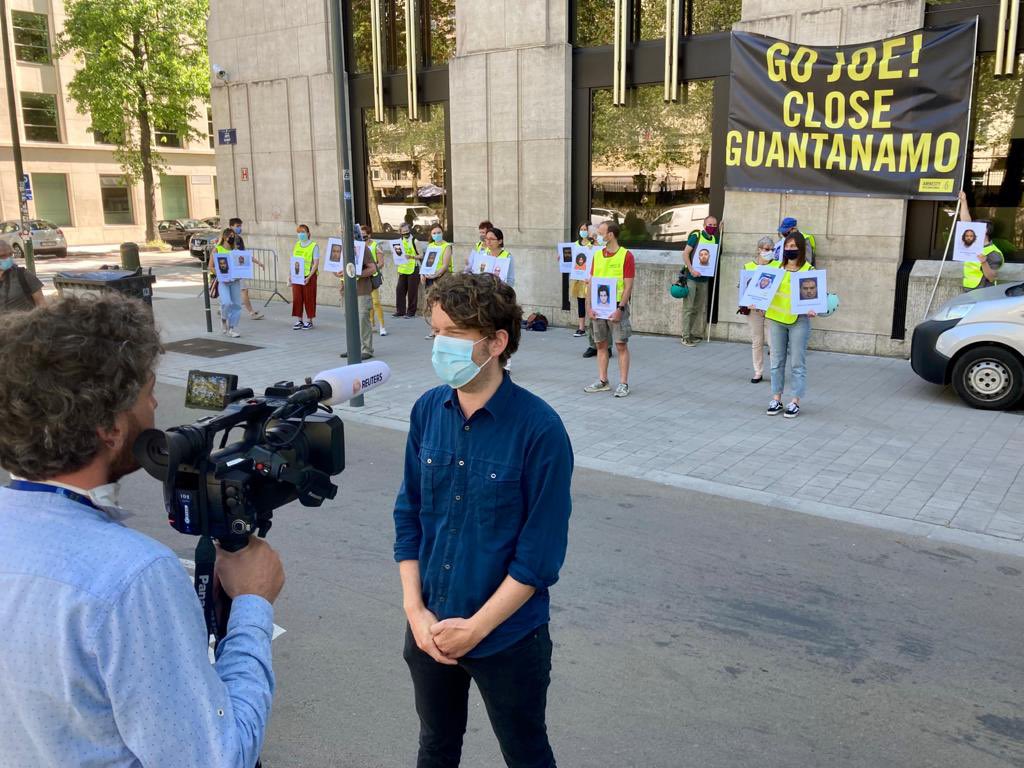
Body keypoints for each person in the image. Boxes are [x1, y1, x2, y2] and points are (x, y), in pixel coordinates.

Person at [0, 294, 285, 767]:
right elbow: (217, 757)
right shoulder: (132, 577)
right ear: (110, 427)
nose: (155, 405)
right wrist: (253, 604)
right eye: (147, 391)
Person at [394, 273, 573, 768]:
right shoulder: (427, 411)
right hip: (429, 625)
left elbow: (538, 559)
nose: (439, 346)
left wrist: (474, 630)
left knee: (526, 754)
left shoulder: (541, 431)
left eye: (453, 335)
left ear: (496, 342)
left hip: (508, 638)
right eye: (435, 333)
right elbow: (408, 516)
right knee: (436, 747)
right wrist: (416, 612)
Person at [762, 231, 815, 418]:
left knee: (797, 363)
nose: (789, 249)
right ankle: (776, 399)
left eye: (793, 246)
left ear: (800, 249)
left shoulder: (808, 271)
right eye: (787, 246)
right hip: (776, 319)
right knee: (776, 362)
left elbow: (812, 297)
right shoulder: (775, 267)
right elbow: (763, 290)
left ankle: (795, 401)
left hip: (798, 321)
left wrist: (812, 308)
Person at [584, 220, 635, 398]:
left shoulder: (626, 256)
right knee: (601, 344)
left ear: (610, 235)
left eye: (601, 232)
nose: (597, 235)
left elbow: (628, 286)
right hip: (598, 308)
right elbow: (591, 282)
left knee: (621, 344)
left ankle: (623, 383)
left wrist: (620, 308)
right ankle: (603, 380)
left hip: (615, 306)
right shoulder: (597, 255)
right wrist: (589, 307)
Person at [339, 226, 380, 360]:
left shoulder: (363, 248)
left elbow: (373, 268)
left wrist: (358, 273)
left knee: (362, 319)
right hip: (347, 291)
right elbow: (335, 268)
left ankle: (366, 349)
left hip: (362, 289)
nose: (341, 234)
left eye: (343, 232)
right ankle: (352, 348)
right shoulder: (341, 248)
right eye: (340, 232)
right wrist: (337, 272)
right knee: (349, 320)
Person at [679, 214, 719, 347]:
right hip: (691, 277)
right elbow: (685, 253)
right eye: (710, 225)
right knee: (688, 308)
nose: (712, 227)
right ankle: (684, 337)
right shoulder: (696, 236)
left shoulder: (714, 239)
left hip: (704, 279)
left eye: (715, 225)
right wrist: (691, 270)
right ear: (704, 225)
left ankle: (689, 334)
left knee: (697, 308)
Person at [742, 236, 774, 384]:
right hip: (754, 310)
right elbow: (743, 289)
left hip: (772, 309)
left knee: (773, 343)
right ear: (759, 249)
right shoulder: (748, 266)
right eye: (767, 249)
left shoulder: (778, 266)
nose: (770, 252)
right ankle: (758, 371)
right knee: (757, 341)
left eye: (772, 249)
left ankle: (775, 372)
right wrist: (748, 303)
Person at [958, 190, 1003, 290]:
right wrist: (963, 201)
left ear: (985, 231)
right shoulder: (972, 245)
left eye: (975, 228)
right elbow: (966, 223)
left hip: (982, 293)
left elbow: (991, 278)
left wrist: (984, 263)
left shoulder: (994, 253)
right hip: (968, 290)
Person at [421, 224, 454, 340]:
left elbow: (445, 265)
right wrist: (422, 273)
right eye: (434, 233)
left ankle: (444, 330)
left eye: (439, 232)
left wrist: (436, 274)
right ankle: (434, 330)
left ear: (442, 233)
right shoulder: (430, 245)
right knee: (431, 304)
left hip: (442, 278)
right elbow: (426, 262)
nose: (437, 235)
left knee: (442, 304)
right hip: (430, 277)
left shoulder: (446, 246)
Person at [229, 217, 264, 320]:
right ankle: (252, 313)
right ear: (231, 226)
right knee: (244, 290)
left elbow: (245, 254)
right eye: (237, 226)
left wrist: (258, 262)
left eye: (240, 226)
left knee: (237, 290)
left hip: (239, 268)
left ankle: (224, 309)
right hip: (233, 269)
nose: (240, 228)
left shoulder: (239, 239)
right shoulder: (226, 239)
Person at [213, 228, 243, 337]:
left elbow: (246, 258)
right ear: (225, 237)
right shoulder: (217, 249)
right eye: (230, 236)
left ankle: (232, 328)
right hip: (223, 281)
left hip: (235, 281)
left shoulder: (235, 250)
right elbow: (211, 266)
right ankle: (223, 319)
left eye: (233, 236)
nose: (232, 238)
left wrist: (258, 263)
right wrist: (220, 275)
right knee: (226, 303)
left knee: (236, 305)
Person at [0, 240, 45, 312]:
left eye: (10, 254)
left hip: (25, 322)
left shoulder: (24, 275)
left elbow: (42, 305)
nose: (8, 259)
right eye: (3, 256)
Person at [291, 224, 319, 329]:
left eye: (303, 232)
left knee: (309, 298)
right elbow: (294, 261)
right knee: (297, 297)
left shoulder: (314, 246)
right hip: (297, 275)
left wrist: (309, 276)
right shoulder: (297, 244)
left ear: (308, 233)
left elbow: (316, 263)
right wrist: (290, 275)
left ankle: (309, 320)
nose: (301, 234)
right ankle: (299, 320)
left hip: (309, 276)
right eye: (299, 232)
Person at [361, 224, 387, 336]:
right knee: (368, 302)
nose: (362, 237)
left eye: (364, 235)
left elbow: (381, 263)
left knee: (375, 302)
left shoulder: (375, 246)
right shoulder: (358, 246)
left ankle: (382, 326)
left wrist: (371, 269)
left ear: (369, 235)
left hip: (373, 277)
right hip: (363, 278)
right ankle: (372, 325)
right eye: (360, 235)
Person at [394, 223, 422, 318]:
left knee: (412, 292)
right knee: (400, 290)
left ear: (409, 230)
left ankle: (411, 312)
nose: (405, 232)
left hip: (414, 268)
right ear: (400, 232)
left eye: (407, 230)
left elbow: (421, 255)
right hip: (403, 269)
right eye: (403, 231)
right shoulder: (399, 242)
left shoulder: (415, 241)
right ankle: (400, 311)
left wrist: (412, 257)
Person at [572, 222, 593, 342]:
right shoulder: (575, 244)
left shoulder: (592, 244)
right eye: (582, 229)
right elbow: (570, 259)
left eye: (585, 229)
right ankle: (581, 327)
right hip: (579, 278)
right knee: (580, 301)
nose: (583, 231)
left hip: (589, 278)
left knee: (590, 302)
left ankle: (592, 326)